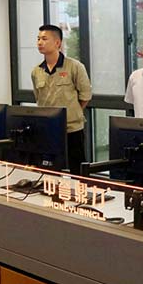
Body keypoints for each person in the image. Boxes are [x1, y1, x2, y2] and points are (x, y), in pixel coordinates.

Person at [31, 24, 92, 175]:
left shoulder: (74, 66)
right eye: (38, 39)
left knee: (77, 171)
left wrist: (72, 113)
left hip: (72, 129)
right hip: (48, 129)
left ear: (57, 43)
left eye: (44, 39)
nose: (40, 42)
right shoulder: (36, 71)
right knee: (49, 171)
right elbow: (38, 98)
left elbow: (85, 96)